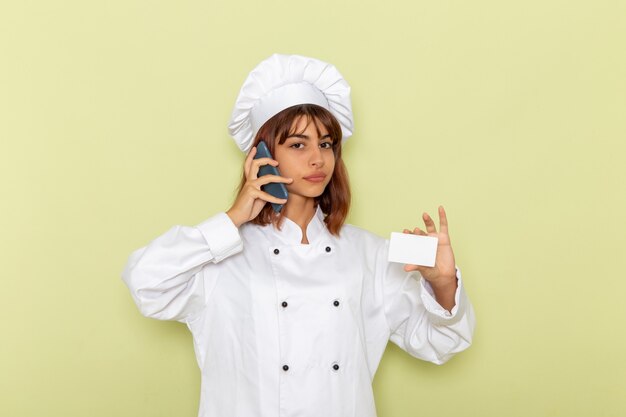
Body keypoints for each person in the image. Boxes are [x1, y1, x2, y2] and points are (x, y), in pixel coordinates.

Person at [122, 53, 475, 417]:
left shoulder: (370, 254)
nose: (317, 159)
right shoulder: (220, 255)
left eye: (325, 144)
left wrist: (444, 283)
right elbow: (145, 282)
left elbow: (440, 343)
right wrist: (233, 218)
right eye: (297, 144)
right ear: (262, 154)